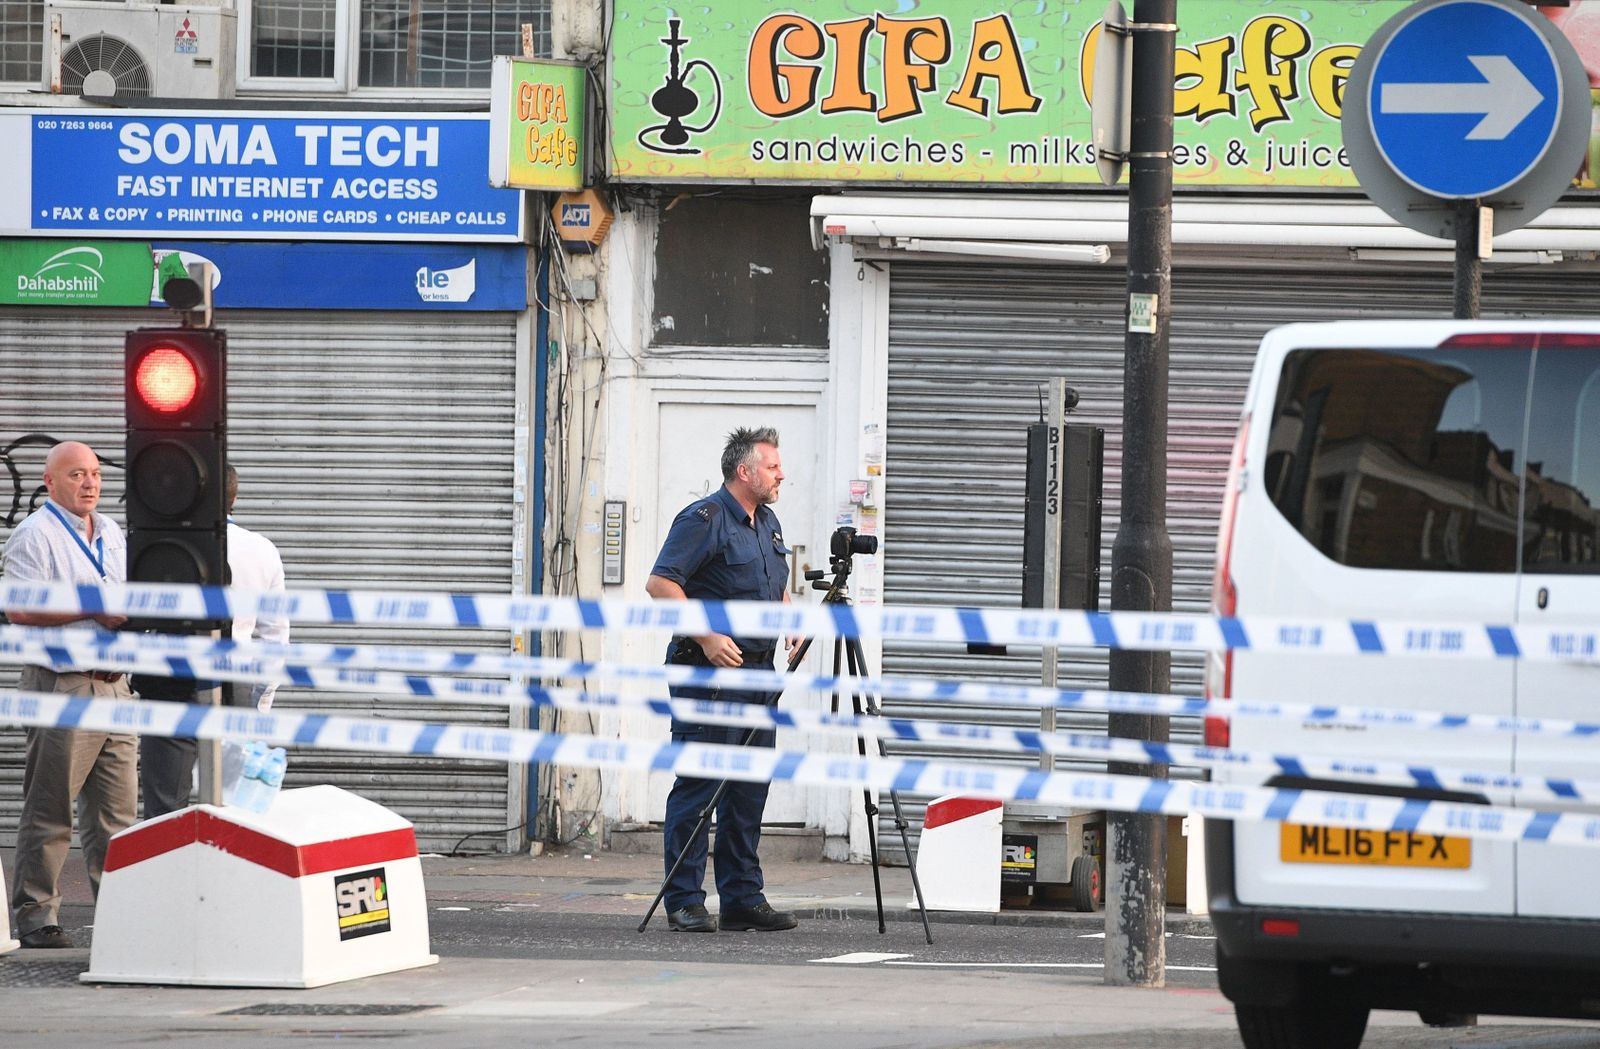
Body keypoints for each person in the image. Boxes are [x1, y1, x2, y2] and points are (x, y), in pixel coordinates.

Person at [644, 426, 800, 934]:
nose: (781, 474)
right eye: (773, 467)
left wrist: (790, 621)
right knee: (701, 784)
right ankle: (684, 900)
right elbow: (661, 583)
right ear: (745, 471)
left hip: (758, 672)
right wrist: (708, 637)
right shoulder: (703, 519)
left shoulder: (768, 521)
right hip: (709, 671)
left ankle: (742, 898)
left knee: (749, 788)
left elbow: (773, 584)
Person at [2, 441, 136, 949]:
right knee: (51, 807)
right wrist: (92, 607)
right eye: (77, 473)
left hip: (116, 684)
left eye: (96, 473)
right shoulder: (33, 535)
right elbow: (18, 608)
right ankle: (38, 918)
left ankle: (120, 914)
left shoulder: (112, 532)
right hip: (64, 684)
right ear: (50, 480)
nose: (90, 483)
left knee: (117, 816)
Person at [139, 463, 290, 817]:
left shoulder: (161, 545)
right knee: (236, 810)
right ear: (234, 497)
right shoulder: (262, 549)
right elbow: (275, 636)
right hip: (235, 684)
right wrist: (259, 704)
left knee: (165, 808)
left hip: (171, 681)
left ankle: (168, 870)